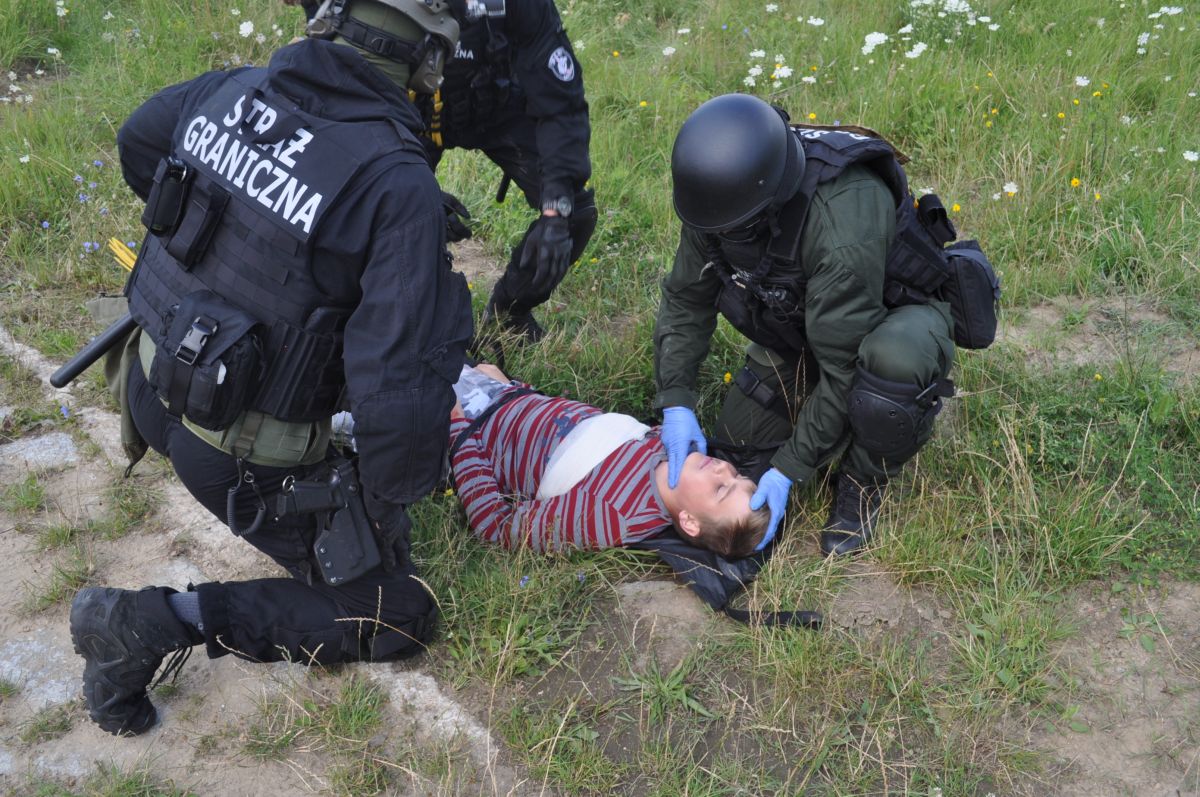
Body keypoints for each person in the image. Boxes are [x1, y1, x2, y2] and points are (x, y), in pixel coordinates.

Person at [69, 0, 473, 737]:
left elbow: (139, 142)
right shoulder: (396, 184)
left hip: (147, 381)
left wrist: (223, 262)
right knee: (398, 610)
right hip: (236, 458)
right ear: (429, 60)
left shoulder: (231, 87)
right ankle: (147, 624)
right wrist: (386, 506)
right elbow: (397, 393)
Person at [654, 94, 962, 558]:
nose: (724, 237)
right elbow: (685, 299)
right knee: (740, 444)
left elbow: (843, 366)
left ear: (769, 201)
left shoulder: (841, 221)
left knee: (888, 374)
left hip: (894, 317)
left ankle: (863, 479)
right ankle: (828, 422)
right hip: (806, 320)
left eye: (736, 228)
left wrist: (788, 468)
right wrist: (675, 399)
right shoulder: (719, 198)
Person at [291, 0, 597, 342]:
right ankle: (360, 311)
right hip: (405, 106)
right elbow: (337, 69)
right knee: (376, 206)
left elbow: (560, 98)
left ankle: (510, 311)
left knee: (572, 213)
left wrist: (557, 208)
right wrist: (419, 196)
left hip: (497, 101)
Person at [440, 363, 770, 556]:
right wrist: (514, 389)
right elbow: (576, 429)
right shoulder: (671, 447)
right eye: (738, 476)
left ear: (689, 522)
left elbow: (495, 527)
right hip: (503, 394)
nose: (723, 469)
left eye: (721, 490)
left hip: (467, 422)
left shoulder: (610, 514)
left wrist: (457, 427)